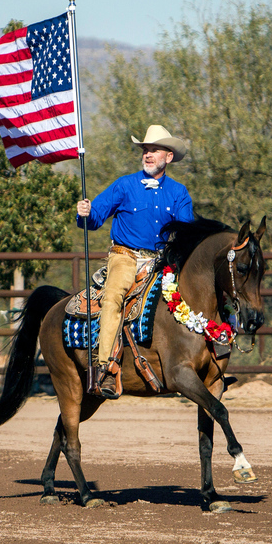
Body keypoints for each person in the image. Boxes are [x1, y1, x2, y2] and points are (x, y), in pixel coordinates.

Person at [76, 124, 193, 398]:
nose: (148, 154)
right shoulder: (124, 185)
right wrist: (85, 212)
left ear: (169, 157)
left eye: (154, 150)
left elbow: (187, 233)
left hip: (162, 263)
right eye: (145, 150)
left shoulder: (179, 193)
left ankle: (197, 362)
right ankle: (105, 367)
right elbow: (95, 218)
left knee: (192, 297)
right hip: (125, 258)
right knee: (113, 298)